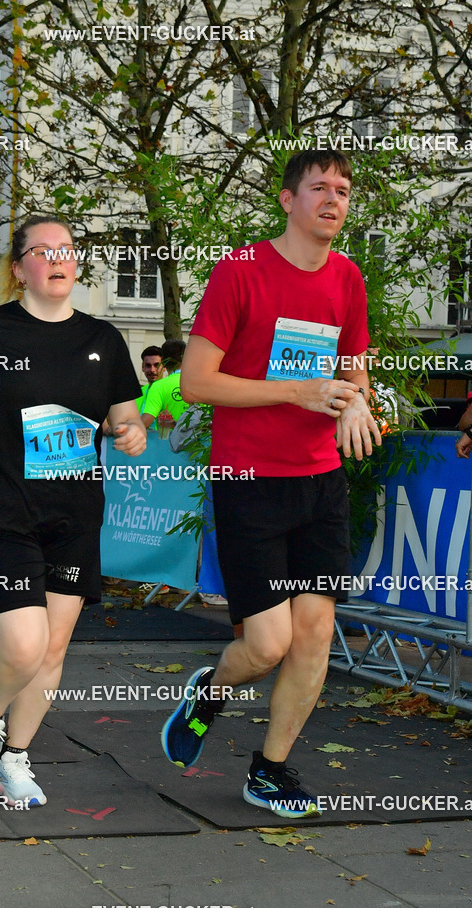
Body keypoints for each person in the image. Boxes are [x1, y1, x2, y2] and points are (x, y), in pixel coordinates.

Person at [161, 149, 382, 817]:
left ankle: (270, 769)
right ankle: (210, 691)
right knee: (265, 645)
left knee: (315, 632)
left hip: (319, 480)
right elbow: (195, 383)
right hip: (250, 479)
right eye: (319, 187)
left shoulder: (347, 278)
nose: (333, 199)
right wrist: (298, 390)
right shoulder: (241, 270)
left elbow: (353, 369)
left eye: (342, 190)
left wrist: (358, 401)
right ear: (288, 200)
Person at [0, 214, 146, 807]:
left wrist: (132, 433)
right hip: (0, 510)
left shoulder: (103, 339)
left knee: (53, 648)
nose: (57, 259)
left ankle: (14, 759)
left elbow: (126, 416)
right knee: (22, 644)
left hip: (73, 513)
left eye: (66, 249)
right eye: (41, 251)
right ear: (19, 269)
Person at [140, 339, 189, 434]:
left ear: (164, 362)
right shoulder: (201, 384)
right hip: (202, 446)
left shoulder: (159, 386)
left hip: (167, 446)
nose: (152, 370)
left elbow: (144, 423)